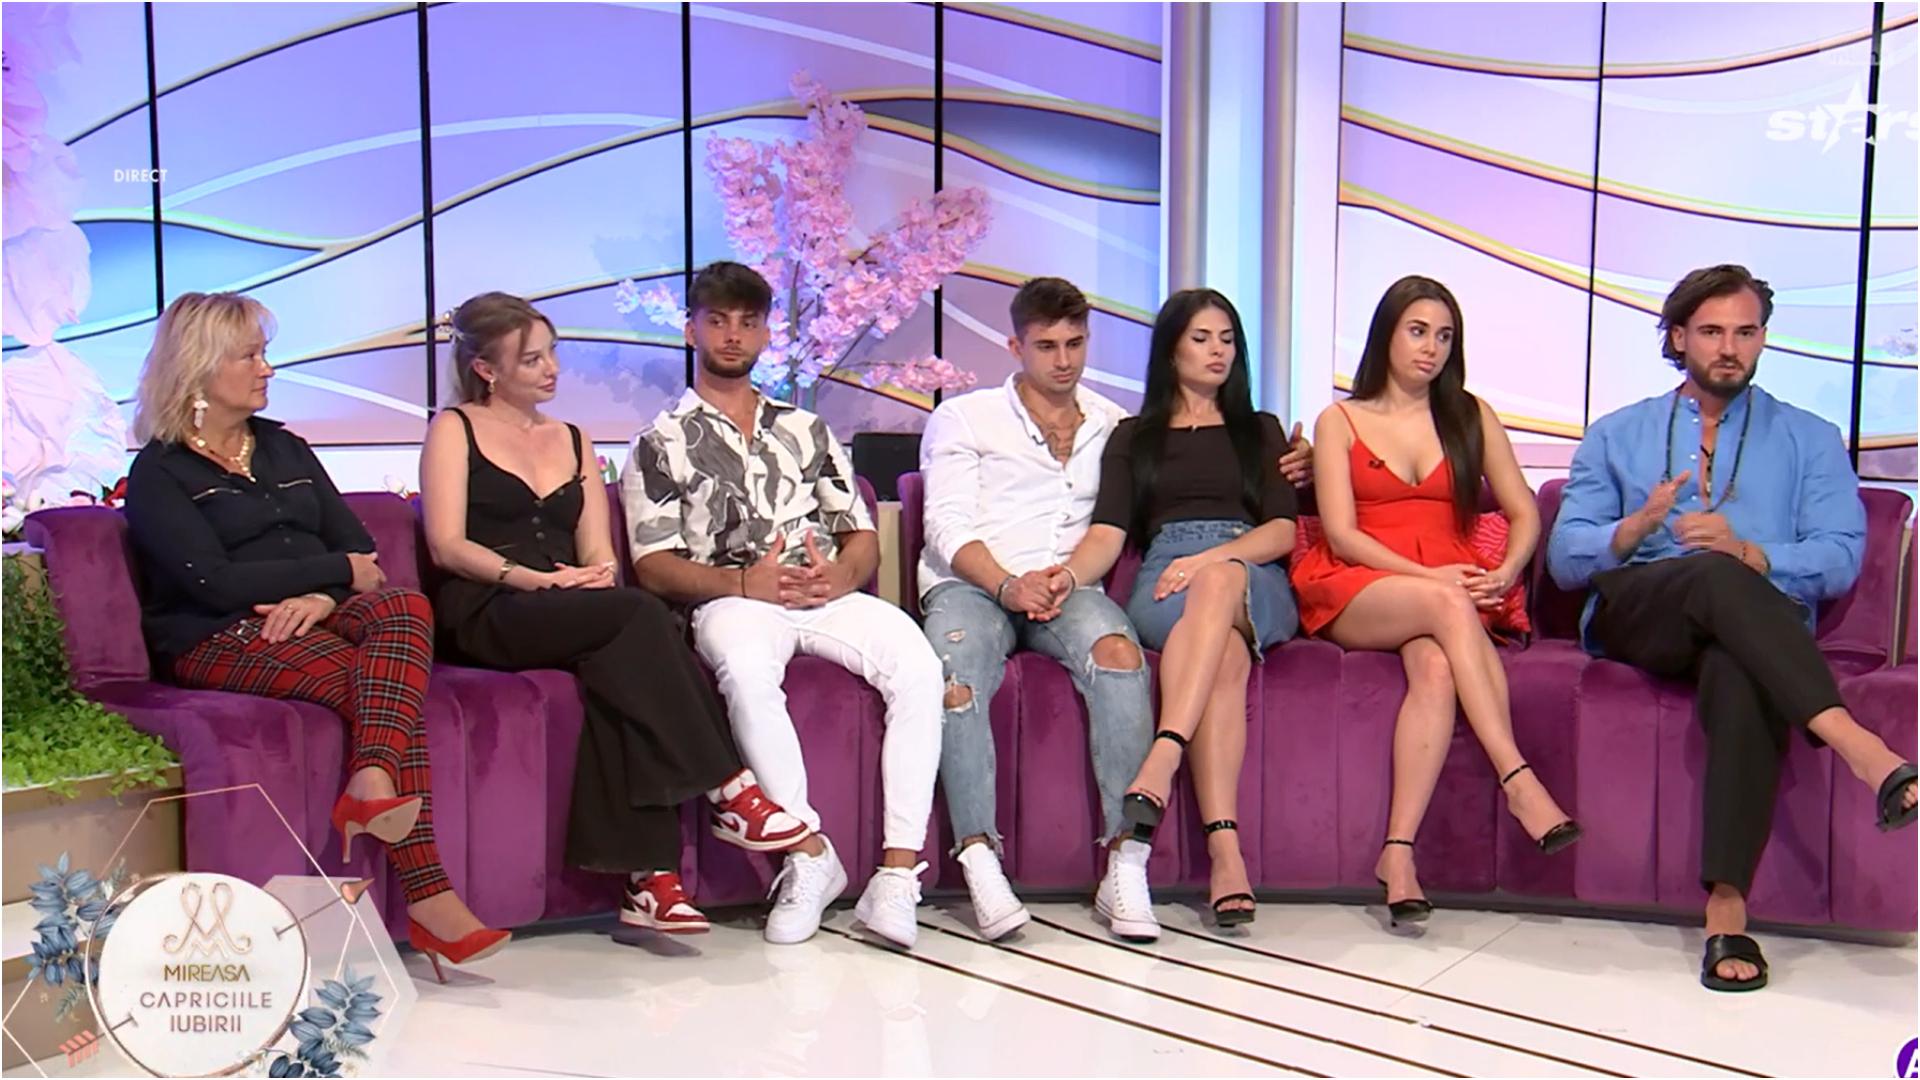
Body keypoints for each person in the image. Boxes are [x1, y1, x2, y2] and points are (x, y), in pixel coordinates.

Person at [1548, 263, 1916, 991]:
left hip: (1751, 625)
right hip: (1641, 612)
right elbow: (1565, 559)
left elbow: (1841, 556)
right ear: (1678, 338)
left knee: (1740, 665)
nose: (1729, 348)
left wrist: (1753, 552)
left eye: (1745, 333)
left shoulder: (1810, 438)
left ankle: (1726, 909)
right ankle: (1863, 748)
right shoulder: (1618, 434)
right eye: (1712, 332)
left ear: (1762, 339)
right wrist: (1636, 526)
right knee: (1714, 577)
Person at [123, 292, 506, 980]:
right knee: (379, 689)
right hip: (219, 633)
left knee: (404, 606)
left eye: (264, 353)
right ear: (200, 367)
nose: (267, 369)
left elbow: (362, 552)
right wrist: (332, 572)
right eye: (250, 356)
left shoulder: (285, 447)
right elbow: (212, 581)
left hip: (316, 612)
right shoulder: (159, 472)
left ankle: (372, 779)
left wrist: (317, 594)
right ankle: (431, 898)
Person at [420, 291, 810, 936]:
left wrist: (593, 575)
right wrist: (538, 581)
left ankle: (651, 881)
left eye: (552, 354)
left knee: (620, 662)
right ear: (486, 369)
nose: (551, 369)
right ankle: (729, 787)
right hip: (488, 604)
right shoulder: (453, 429)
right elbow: (447, 545)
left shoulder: (573, 438)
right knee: (637, 619)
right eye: (531, 360)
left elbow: (598, 549)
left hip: (570, 605)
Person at [623, 262, 943, 948]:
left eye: (747, 322)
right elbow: (652, 566)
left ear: (767, 333)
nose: (732, 336)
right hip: (733, 599)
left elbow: (860, 534)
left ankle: (896, 873)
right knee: (744, 668)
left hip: (822, 592)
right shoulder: (659, 442)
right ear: (691, 330)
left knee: (918, 662)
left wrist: (843, 577)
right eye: (717, 321)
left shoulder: (806, 428)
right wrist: (745, 585)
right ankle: (808, 855)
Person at [1291, 275, 1580, 928]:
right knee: (1448, 608)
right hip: (1359, 582)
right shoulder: (1340, 421)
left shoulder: (1470, 415)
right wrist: (1431, 579)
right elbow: (1342, 534)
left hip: (1446, 588)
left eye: (1444, 336)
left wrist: (1505, 570)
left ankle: (1397, 856)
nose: (1431, 348)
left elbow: (1524, 511)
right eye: (1418, 331)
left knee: (1437, 668)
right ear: (1386, 335)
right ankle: (1518, 779)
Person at [1052, 288, 1298, 930]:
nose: (1219, 351)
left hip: (1250, 571)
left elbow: (1281, 531)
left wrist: (1215, 559)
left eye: (1228, 340)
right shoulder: (1134, 437)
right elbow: (1108, 533)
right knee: (1226, 658)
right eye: (1202, 338)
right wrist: (1066, 577)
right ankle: (1226, 852)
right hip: (1165, 579)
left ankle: (1162, 755)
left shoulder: (1260, 429)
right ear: (1170, 350)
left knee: (1218, 584)